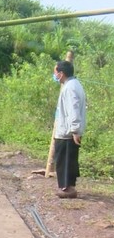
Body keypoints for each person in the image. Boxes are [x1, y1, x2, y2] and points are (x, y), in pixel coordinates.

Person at [52, 60, 86, 199]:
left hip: (67, 132)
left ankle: (67, 189)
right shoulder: (73, 85)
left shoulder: (70, 87)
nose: (54, 75)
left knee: (65, 160)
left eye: (55, 72)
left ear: (61, 74)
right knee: (69, 160)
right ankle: (69, 187)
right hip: (69, 130)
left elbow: (73, 109)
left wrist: (75, 130)